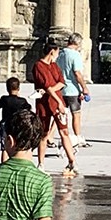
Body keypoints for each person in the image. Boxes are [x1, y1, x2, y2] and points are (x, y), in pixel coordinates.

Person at [31, 41, 78, 177]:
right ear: (52, 51)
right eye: (57, 52)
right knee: (44, 134)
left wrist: (50, 90)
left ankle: (72, 161)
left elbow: (61, 83)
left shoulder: (54, 66)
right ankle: (41, 163)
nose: (58, 55)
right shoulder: (38, 66)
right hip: (45, 104)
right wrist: (58, 99)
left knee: (64, 132)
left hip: (56, 102)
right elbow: (48, 86)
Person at [56, 33, 92, 148]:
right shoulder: (75, 55)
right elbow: (77, 73)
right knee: (76, 114)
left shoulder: (60, 54)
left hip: (61, 89)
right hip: (72, 90)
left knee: (60, 114)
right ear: (78, 43)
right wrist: (84, 88)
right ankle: (78, 137)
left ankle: (52, 137)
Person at [0, 77, 32, 164]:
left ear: (7, 88)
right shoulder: (22, 101)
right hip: (17, 124)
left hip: (5, 124)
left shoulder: (4, 99)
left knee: (4, 147)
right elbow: (29, 108)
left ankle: (4, 164)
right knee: (19, 145)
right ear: (19, 88)